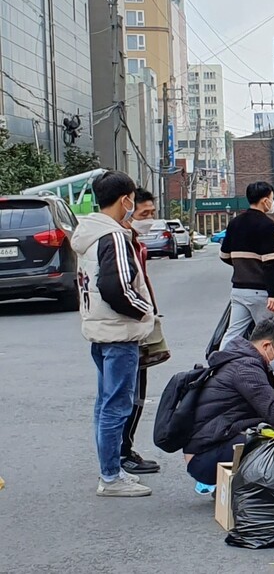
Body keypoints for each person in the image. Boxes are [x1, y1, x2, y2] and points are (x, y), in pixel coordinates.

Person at [73, 171, 155, 497]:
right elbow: (116, 286)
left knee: (104, 404)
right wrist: (143, 310)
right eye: (133, 200)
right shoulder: (115, 237)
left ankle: (111, 470)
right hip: (119, 332)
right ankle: (110, 477)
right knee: (117, 406)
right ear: (125, 200)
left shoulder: (88, 234)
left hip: (98, 328)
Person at [184, 316, 274, 486]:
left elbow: (269, 409)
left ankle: (231, 486)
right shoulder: (246, 368)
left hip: (206, 449)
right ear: (267, 345)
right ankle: (237, 487)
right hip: (205, 457)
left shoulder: (240, 359)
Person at [219, 181, 274, 394]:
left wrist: (242, 265)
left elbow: (224, 255)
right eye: (271, 198)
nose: (272, 202)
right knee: (272, 337)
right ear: (265, 200)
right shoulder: (266, 225)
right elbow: (270, 262)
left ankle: (219, 369)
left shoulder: (235, 223)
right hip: (260, 291)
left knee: (233, 333)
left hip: (238, 288)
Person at [120, 188, 166, 475]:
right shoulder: (118, 241)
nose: (149, 219)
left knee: (137, 392)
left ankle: (125, 448)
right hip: (129, 329)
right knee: (127, 394)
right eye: (143, 214)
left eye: (152, 213)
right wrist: (142, 312)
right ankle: (120, 453)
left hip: (142, 323)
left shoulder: (133, 240)